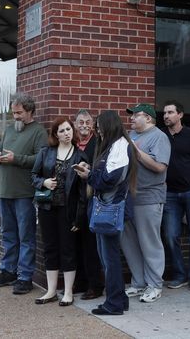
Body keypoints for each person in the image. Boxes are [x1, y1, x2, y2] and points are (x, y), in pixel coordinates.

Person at [74, 110, 139, 316]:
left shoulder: (120, 146)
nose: (98, 131)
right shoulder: (114, 145)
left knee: (109, 259)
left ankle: (114, 304)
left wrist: (89, 175)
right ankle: (120, 299)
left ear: (108, 126)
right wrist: (92, 172)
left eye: (100, 127)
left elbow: (111, 179)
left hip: (111, 209)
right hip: (108, 208)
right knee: (107, 257)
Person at [0, 93, 46, 295]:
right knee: (8, 234)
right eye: (13, 112)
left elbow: (42, 159)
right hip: (5, 190)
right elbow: (5, 155)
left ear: (30, 111)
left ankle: (25, 276)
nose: (15, 116)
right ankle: (8, 271)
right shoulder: (10, 130)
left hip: (25, 193)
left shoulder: (38, 131)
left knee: (26, 236)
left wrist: (16, 159)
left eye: (19, 112)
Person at [31, 117, 86, 306]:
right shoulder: (45, 153)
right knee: (50, 248)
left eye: (69, 129)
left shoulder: (80, 156)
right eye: (62, 131)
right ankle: (51, 290)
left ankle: (68, 292)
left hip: (67, 210)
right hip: (47, 207)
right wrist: (43, 182)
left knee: (68, 249)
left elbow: (82, 192)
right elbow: (33, 176)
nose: (66, 133)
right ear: (55, 134)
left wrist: (79, 218)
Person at [121, 104, 170, 303]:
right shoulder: (131, 135)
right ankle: (139, 282)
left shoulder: (159, 137)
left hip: (149, 197)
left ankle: (155, 285)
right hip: (127, 198)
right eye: (131, 116)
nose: (131, 119)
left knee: (149, 242)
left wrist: (136, 151)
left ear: (148, 118)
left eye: (136, 115)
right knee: (129, 243)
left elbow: (159, 166)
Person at [160, 100, 190, 292]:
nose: (166, 116)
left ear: (180, 115)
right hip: (170, 194)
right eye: (164, 113)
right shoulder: (161, 136)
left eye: (170, 112)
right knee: (170, 235)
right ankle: (179, 274)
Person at [72, 109, 104, 300]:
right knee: (76, 243)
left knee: (91, 245)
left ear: (92, 125)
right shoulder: (72, 144)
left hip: (92, 198)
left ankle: (96, 285)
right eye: (80, 122)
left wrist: (90, 168)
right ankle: (81, 281)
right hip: (75, 200)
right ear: (75, 125)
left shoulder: (98, 144)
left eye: (87, 122)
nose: (84, 125)